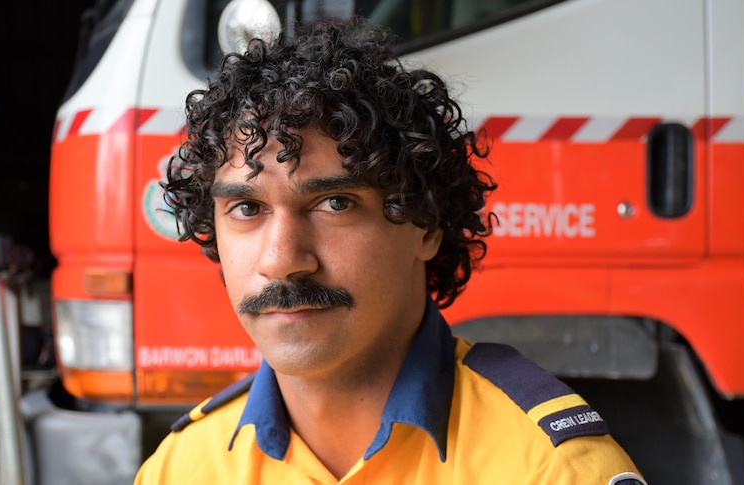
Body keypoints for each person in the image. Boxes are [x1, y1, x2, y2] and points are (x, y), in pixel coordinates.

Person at [135, 18, 646, 485]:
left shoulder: (552, 470)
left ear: (425, 223)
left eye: (335, 203)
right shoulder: (179, 470)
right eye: (246, 209)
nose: (281, 259)